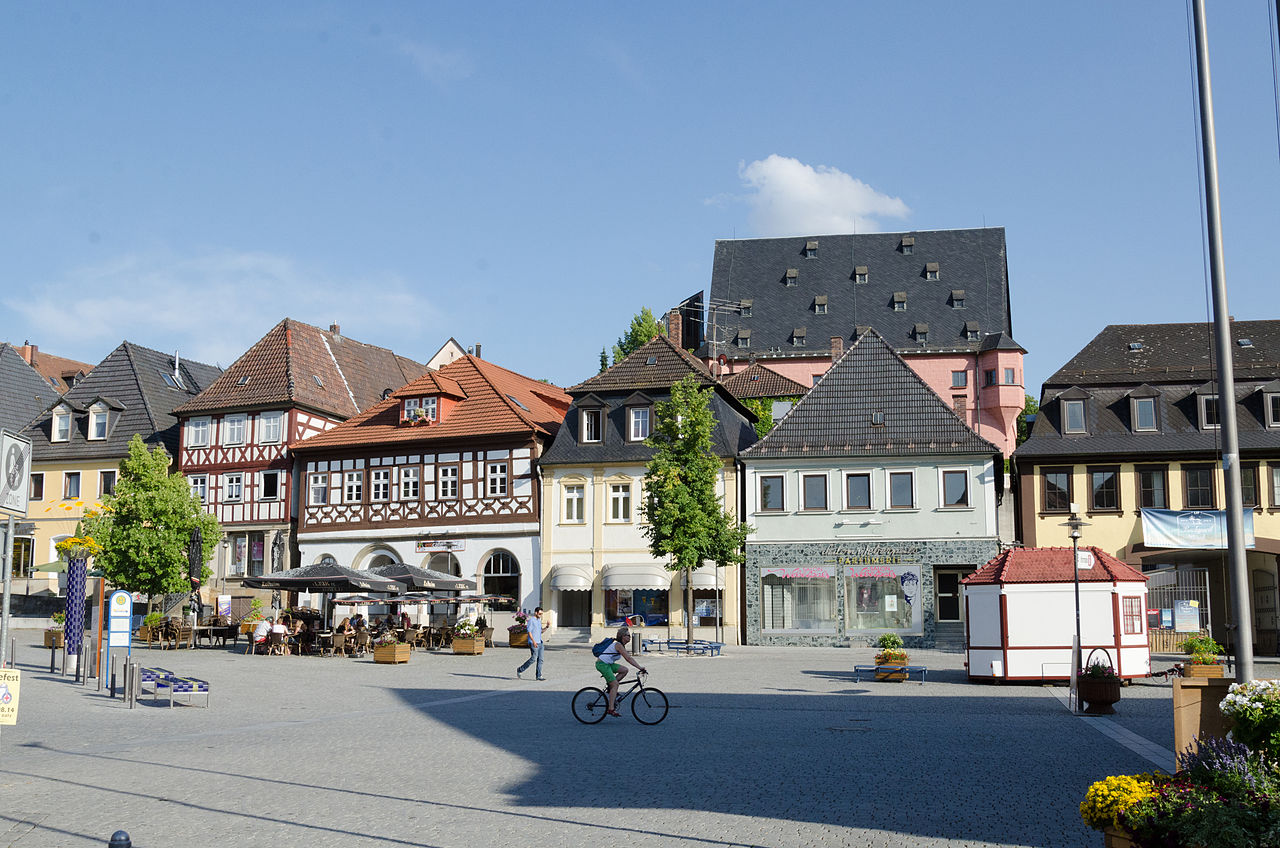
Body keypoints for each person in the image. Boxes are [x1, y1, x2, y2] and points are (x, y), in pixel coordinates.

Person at [595, 626, 645, 717]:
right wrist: (640, 667)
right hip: (602, 664)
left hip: (608, 664)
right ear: (623, 636)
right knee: (615, 685)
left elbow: (628, 658)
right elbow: (628, 658)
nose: (630, 637)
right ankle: (610, 709)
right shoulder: (618, 645)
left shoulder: (621, 645)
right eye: (628, 635)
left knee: (624, 670)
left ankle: (611, 687)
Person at [515, 607, 546, 681]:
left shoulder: (539, 620)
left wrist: (547, 627)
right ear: (536, 612)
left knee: (541, 659)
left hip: (540, 642)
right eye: (539, 613)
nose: (540, 615)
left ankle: (539, 676)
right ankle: (520, 669)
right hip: (533, 643)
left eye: (541, 614)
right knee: (533, 659)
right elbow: (529, 632)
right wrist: (534, 641)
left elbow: (540, 631)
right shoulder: (531, 620)